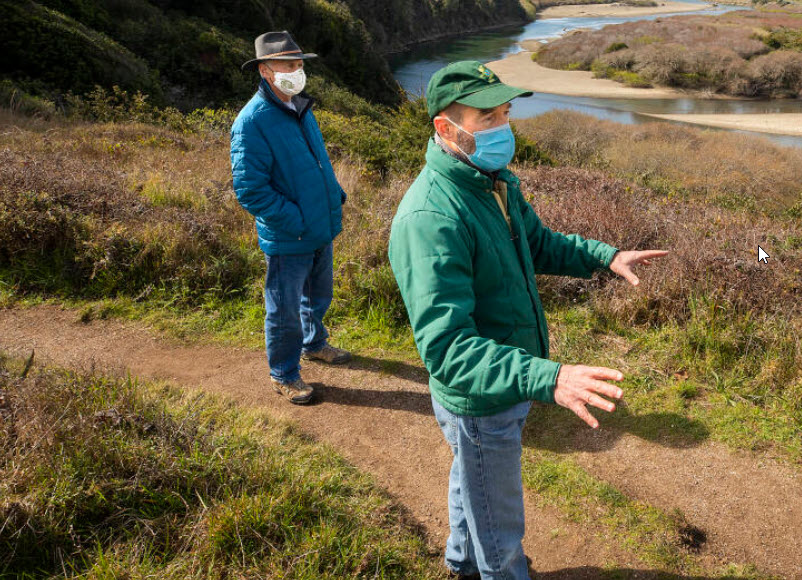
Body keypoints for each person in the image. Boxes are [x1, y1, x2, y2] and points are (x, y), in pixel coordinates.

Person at [388, 60, 668, 579]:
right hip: (482, 395)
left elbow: (537, 243)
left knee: (471, 480)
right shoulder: (432, 218)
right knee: (500, 525)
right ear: (445, 129)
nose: (502, 127)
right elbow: (447, 350)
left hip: (504, 379)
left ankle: (461, 563)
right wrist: (551, 376)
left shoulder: (492, 182)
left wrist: (604, 256)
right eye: (487, 117)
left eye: (505, 113)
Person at [230, 31, 352, 405]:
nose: (297, 71)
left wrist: (334, 196)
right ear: (266, 71)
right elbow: (250, 189)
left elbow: (315, 162)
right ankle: (284, 373)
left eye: (299, 64)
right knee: (283, 309)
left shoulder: (300, 106)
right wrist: (295, 220)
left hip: (319, 225)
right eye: (288, 65)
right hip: (289, 234)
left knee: (317, 295)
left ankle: (314, 344)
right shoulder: (252, 121)